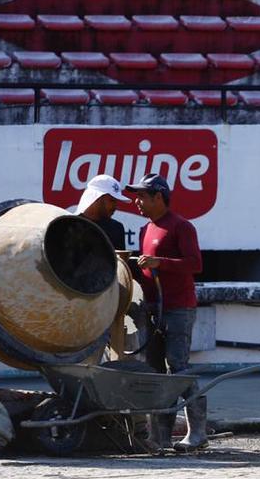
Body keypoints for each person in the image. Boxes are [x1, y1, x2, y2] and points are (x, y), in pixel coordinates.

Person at [125, 173, 207, 450]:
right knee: (156, 372)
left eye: (142, 196)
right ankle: (158, 438)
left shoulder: (182, 227)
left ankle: (197, 433)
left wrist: (161, 262)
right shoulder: (146, 229)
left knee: (178, 368)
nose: (137, 202)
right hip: (152, 309)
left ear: (158, 197)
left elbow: (195, 264)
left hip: (178, 308)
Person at [73, 174, 130, 250]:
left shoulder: (117, 228)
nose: (115, 206)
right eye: (112, 200)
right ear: (97, 198)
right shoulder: (71, 225)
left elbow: (120, 260)